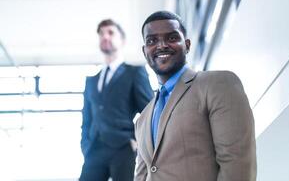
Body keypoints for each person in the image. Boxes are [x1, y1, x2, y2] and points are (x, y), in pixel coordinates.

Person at [134, 11, 257, 181]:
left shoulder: (217, 84)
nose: (161, 45)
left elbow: (237, 164)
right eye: (152, 40)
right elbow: (142, 176)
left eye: (171, 38)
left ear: (187, 45)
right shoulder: (144, 118)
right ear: (144, 51)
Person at [80, 19, 154, 181]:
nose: (105, 37)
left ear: (122, 40)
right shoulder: (92, 81)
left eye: (110, 32)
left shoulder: (134, 73)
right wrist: (85, 145)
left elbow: (150, 112)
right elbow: (87, 118)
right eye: (101, 34)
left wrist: (136, 141)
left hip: (123, 147)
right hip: (93, 149)